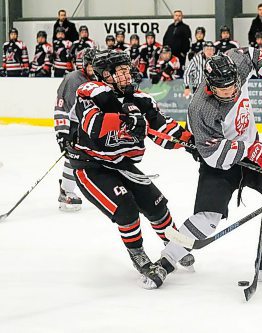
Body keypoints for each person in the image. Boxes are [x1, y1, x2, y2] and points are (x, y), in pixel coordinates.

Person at [160, 49, 262, 282]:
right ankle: (166, 259)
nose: (229, 92)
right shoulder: (200, 108)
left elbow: (252, 53)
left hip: (252, 154)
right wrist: (251, 149)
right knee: (207, 218)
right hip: (219, 162)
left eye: (232, 86)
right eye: (222, 89)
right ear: (210, 85)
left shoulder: (236, 63)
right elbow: (211, 154)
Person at [69, 50, 196, 289]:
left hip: (122, 163)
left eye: (128, 70)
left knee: (157, 204)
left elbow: (163, 131)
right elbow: (93, 126)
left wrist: (190, 142)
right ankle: (137, 253)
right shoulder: (89, 93)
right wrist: (125, 119)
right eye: (122, 71)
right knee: (126, 208)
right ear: (106, 75)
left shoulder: (141, 99)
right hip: (92, 166)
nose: (129, 75)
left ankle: (176, 243)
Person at [54, 48, 96, 212]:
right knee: (74, 158)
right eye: (91, 66)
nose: (94, 69)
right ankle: (66, 191)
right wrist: (62, 133)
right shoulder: (73, 80)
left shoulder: (98, 79)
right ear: (85, 65)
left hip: (90, 124)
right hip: (73, 126)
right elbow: (61, 108)